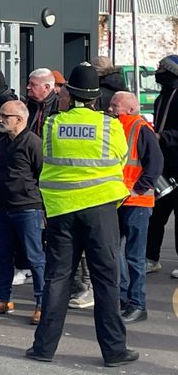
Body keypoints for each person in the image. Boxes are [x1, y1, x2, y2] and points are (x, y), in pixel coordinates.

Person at [27, 64, 138, 368]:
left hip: (61, 210)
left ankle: (43, 348)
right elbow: (120, 157)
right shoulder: (110, 126)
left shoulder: (51, 124)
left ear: (69, 93)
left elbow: (47, 158)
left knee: (58, 280)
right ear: (96, 97)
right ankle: (114, 351)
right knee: (105, 281)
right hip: (100, 211)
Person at [0, 100, 45, 325]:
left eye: (4, 116)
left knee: (35, 258)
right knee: (3, 257)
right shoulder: (2, 142)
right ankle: (3, 299)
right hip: (3, 207)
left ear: (19, 119)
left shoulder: (33, 143)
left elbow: (41, 174)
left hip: (28, 208)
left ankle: (42, 304)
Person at [108, 92, 163, 323]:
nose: (110, 108)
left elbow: (156, 163)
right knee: (115, 251)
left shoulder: (139, 128)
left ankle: (137, 304)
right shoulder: (118, 126)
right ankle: (124, 299)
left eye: (115, 105)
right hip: (121, 198)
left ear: (130, 109)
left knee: (134, 256)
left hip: (136, 201)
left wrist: (138, 189)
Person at [147, 55, 178, 279]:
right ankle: (151, 258)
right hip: (163, 165)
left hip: (177, 163)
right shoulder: (161, 97)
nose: (157, 73)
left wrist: (162, 137)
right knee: (156, 214)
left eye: (161, 69)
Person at [25, 68, 60, 138]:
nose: (28, 87)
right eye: (29, 83)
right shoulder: (27, 105)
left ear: (46, 87)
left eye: (33, 84)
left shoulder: (60, 106)